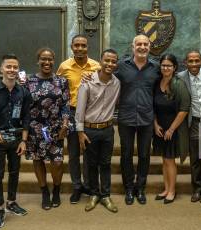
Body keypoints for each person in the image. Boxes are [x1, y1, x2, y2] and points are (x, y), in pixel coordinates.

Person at [0, 54, 32, 229]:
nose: (12, 70)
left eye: (15, 67)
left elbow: (26, 117)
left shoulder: (23, 92)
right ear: (1, 69)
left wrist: (24, 141)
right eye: (8, 66)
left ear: (18, 70)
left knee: (15, 172)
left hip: (16, 139)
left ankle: (11, 202)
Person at [56, 34, 101, 204]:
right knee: (74, 153)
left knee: (89, 152)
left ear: (87, 47)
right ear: (72, 47)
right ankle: (77, 186)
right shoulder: (64, 66)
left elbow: (102, 89)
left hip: (90, 114)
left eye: (83, 45)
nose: (80, 48)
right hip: (72, 113)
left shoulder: (96, 66)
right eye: (77, 45)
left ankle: (89, 185)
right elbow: (58, 89)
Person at [24, 48, 70, 210]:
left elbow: (65, 104)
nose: (47, 62)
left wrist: (65, 124)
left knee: (57, 162)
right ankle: (44, 192)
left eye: (50, 59)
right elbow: (23, 106)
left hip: (56, 128)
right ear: (38, 61)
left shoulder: (62, 81)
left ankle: (56, 190)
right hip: (35, 128)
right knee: (38, 160)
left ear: (54, 61)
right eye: (43, 59)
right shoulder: (29, 81)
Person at [115, 34, 160, 205]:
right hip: (126, 118)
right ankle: (128, 188)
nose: (142, 47)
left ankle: (140, 188)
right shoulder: (121, 67)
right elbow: (105, 78)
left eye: (145, 44)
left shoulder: (155, 68)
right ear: (133, 46)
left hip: (147, 118)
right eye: (139, 44)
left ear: (149, 46)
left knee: (144, 155)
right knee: (126, 155)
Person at [75, 49, 120, 213]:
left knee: (106, 163)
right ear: (100, 61)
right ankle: (94, 194)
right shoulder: (87, 82)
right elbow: (79, 110)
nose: (110, 64)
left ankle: (106, 195)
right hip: (90, 130)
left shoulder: (117, 83)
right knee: (91, 164)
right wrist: (80, 132)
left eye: (113, 61)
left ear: (116, 64)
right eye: (107, 60)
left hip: (108, 130)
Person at [176, 50, 201, 203]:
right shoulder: (180, 77)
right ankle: (197, 188)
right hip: (193, 123)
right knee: (195, 158)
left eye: (196, 60)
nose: (193, 64)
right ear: (185, 63)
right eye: (190, 61)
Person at [153, 53, 190, 204]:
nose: (165, 68)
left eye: (169, 65)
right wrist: (155, 124)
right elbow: (152, 106)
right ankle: (166, 188)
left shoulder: (178, 84)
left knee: (170, 161)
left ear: (174, 67)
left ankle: (172, 191)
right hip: (159, 128)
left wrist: (171, 129)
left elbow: (184, 109)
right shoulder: (157, 82)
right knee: (164, 160)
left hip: (172, 129)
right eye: (163, 65)